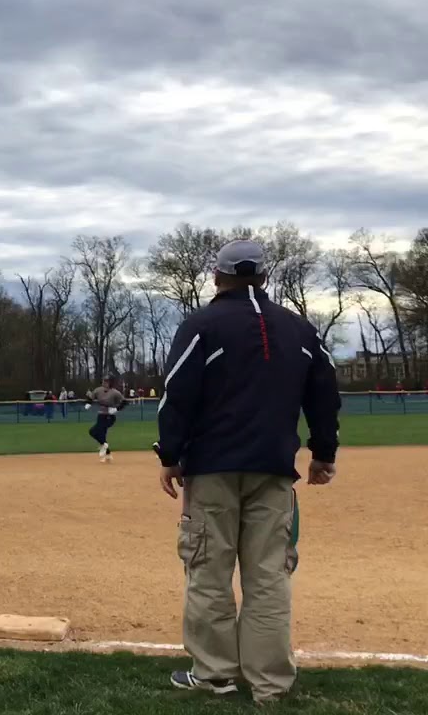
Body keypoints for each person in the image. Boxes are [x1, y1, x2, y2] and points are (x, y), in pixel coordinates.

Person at [154, 239, 341, 704]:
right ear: (263, 277)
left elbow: (178, 392)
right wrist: (323, 451)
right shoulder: (300, 329)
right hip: (275, 469)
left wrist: (170, 454)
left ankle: (215, 675)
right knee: (269, 576)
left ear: (217, 277)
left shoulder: (202, 325)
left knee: (208, 571)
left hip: (213, 468)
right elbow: (325, 393)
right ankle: (270, 685)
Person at [84, 377, 126, 462]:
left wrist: (116, 409)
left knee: (93, 431)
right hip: (101, 414)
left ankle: (104, 445)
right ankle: (108, 454)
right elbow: (91, 397)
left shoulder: (115, 393)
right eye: (104, 381)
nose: (104, 383)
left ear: (110, 383)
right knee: (101, 434)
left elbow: (124, 402)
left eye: (106, 381)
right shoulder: (98, 390)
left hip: (109, 416)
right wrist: (88, 403)